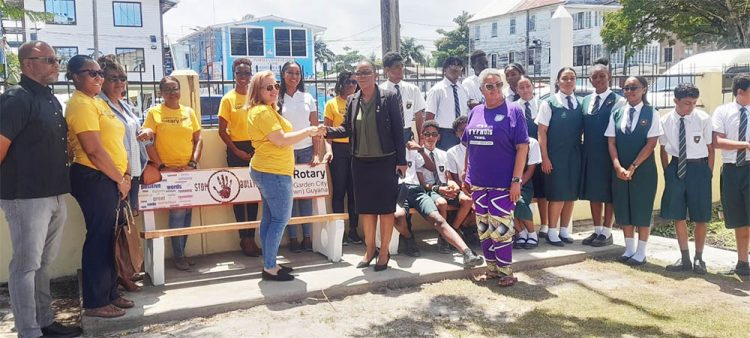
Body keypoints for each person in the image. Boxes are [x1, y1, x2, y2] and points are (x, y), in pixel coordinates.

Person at [0, 41, 83, 337]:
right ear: (28, 64)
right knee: (25, 266)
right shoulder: (16, 99)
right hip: (26, 197)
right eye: (48, 59)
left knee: (43, 264)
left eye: (55, 59)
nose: (55, 64)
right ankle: (29, 330)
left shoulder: (49, 99)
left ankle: (45, 321)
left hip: (55, 193)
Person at [65, 55, 134, 318]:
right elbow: (93, 150)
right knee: (99, 238)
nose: (98, 78)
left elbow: (116, 143)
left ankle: (110, 293)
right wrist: (119, 179)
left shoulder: (96, 103)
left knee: (109, 238)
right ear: (74, 77)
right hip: (95, 178)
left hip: (111, 177)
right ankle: (95, 302)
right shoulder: (81, 105)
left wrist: (124, 176)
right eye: (91, 74)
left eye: (99, 74)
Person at [325, 60, 406, 272]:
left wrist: (402, 160)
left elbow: (399, 130)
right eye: (358, 74)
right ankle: (370, 250)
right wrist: (324, 131)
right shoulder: (352, 100)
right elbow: (345, 129)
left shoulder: (388, 98)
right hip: (360, 162)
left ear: (375, 75)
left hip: (386, 160)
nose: (361, 77)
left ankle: (384, 252)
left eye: (366, 73)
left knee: (386, 209)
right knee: (367, 210)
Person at [246, 71, 326, 282]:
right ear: (258, 91)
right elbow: (280, 140)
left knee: (271, 219)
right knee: (280, 219)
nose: (274, 90)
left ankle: (269, 262)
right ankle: (270, 266)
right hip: (272, 171)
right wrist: (309, 131)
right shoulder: (262, 112)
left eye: (275, 86)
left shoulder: (266, 110)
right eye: (268, 87)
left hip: (270, 169)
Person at [462, 68, 529, 287]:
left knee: (501, 229)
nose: (495, 90)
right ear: (481, 89)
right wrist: (466, 173)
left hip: (503, 184)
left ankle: (506, 271)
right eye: (490, 86)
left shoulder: (514, 111)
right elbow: (468, 146)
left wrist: (516, 181)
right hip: (478, 183)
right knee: (483, 229)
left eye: (499, 85)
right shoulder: (475, 112)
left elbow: (522, 148)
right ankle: (491, 269)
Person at [96, 55, 151, 292]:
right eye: (113, 78)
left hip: (134, 173)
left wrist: (146, 131)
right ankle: (119, 277)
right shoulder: (99, 105)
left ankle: (125, 271)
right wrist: (121, 178)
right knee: (114, 228)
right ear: (102, 81)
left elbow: (138, 132)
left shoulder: (126, 106)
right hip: (116, 176)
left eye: (123, 79)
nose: (119, 83)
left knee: (125, 226)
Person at [142, 76, 203, 271]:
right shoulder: (155, 113)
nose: (172, 92)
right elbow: (148, 142)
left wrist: (193, 163)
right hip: (167, 172)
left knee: (187, 213)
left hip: (188, 170)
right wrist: (160, 167)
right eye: (167, 89)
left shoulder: (189, 112)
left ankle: (182, 252)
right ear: (161, 93)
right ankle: (179, 256)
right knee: (177, 214)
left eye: (175, 88)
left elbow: (198, 139)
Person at [392, 140, 484, 266]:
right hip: (398, 190)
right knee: (398, 217)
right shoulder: (388, 150)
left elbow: (431, 167)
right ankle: (408, 238)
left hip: (416, 190)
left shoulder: (412, 151)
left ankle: (467, 253)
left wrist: (420, 150)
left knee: (438, 220)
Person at [606, 76, 663, 266]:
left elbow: (651, 143)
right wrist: (617, 166)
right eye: (626, 88)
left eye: (634, 88)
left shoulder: (651, 113)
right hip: (620, 170)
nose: (630, 91)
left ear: (644, 89)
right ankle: (629, 248)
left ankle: (641, 251)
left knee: (642, 209)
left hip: (643, 170)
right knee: (624, 208)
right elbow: (611, 142)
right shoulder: (617, 114)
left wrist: (633, 167)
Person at [660, 83, 713, 274]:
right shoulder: (666, 121)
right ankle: (684, 258)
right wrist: (668, 172)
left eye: (694, 103)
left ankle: (699, 257)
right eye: (686, 103)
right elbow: (663, 148)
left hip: (699, 168)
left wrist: (708, 172)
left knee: (701, 215)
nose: (690, 107)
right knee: (678, 214)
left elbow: (710, 148)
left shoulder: (703, 119)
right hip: (676, 168)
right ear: (676, 101)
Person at [218, 58, 262, 257]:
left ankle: (251, 238)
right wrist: (236, 151)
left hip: (255, 149)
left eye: (247, 73)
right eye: (239, 73)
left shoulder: (255, 98)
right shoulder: (228, 98)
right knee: (237, 195)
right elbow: (221, 130)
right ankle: (243, 238)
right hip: (236, 150)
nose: (243, 77)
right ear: (234, 75)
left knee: (253, 195)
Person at [535, 67, 583, 246]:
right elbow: (542, 132)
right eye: (565, 78)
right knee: (557, 194)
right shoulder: (549, 103)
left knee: (570, 194)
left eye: (572, 78)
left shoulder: (580, 103)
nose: (569, 81)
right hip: (555, 156)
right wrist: (545, 157)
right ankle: (552, 231)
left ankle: (564, 230)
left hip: (574, 155)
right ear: (557, 81)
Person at [580, 64, 626, 247]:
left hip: (608, 152)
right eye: (594, 77)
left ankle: (607, 232)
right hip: (590, 152)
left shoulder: (618, 101)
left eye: (602, 76)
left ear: (609, 78)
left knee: (608, 193)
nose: (598, 80)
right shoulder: (585, 101)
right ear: (590, 80)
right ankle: (597, 230)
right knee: (594, 193)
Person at [278, 61, 320, 253]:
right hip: (285, 152)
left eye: (297, 73)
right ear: (283, 74)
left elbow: (315, 127)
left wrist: (317, 152)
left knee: (306, 195)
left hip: (306, 150)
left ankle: (308, 237)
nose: (293, 77)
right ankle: (293, 238)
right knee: (289, 197)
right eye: (290, 72)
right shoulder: (276, 98)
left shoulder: (308, 97)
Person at [712, 73, 750, 276]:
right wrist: (745, 145)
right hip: (732, 169)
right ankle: (742, 262)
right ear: (740, 92)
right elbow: (718, 141)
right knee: (738, 217)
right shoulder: (723, 111)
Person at [416, 120, 473, 253]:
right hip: (431, 189)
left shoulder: (443, 154)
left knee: (467, 200)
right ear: (422, 136)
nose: (431, 137)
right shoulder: (418, 155)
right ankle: (444, 237)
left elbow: (448, 177)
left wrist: (453, 187)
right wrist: (439, 189)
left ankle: (451, 231)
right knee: (441, 203)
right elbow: (423, 183)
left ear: (439, 137)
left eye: (434, 134)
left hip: (444, 187)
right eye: (427, 134)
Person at [324, 71, 362, 244]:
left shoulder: (359, 103)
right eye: (348, 82)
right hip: (338, 150)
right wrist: (329, 150)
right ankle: (339, 233)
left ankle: (353, 230)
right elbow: (327, 131)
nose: (352, 85)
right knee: (339, 192)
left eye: (355, 82)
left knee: (354, 192)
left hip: (356, 150)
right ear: (341, 83)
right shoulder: (331, 104)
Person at [516, 75, 549, 239]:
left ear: (533, 87)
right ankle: (524, 228)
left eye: (527, 86)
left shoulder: (543, 105)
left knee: (542, 192)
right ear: (517, 90)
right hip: (521, 154)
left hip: (538, 152)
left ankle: (544, 226)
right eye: (521, 87)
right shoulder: (513, 107)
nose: (525, 90)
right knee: (524, 191)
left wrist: (545, 156)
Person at [380, 51, 428, 143]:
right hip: (388, 135)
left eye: (402, 66)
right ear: (387, 70)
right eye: (397, 66)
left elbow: (419, 117)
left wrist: (421, 139)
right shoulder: (380, 91)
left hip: (407, 134)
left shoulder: (413, 89)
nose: (401, 69)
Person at [426, 56, 470, 150]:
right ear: (445, 69)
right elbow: (429, 115)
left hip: (463, 133)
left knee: (461, 162)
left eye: (459, 66)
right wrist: (431, 135)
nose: (456, 69)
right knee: (445, 162)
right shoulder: (437, 90)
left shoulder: (463, 89)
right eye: (452, 66)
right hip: (445, 134)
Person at [513, 137, 542, 250]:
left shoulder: (532, 142)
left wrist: (518, 185)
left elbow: (531, 169)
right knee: (503, 202)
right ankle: (521, 233)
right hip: (504, 182)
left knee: (518, 201)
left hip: (524, 183)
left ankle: (532, 234)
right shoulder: (505, 139)